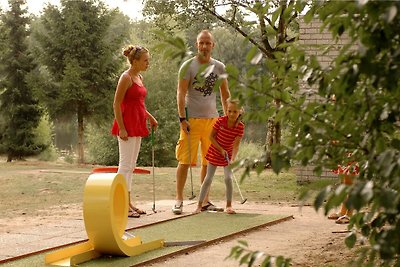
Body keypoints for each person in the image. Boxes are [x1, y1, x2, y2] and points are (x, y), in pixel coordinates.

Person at [172, 29, 230, 214]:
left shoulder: (220, 67)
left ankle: (205, 200)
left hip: (212, 121)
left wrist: (228, 117)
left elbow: (225, 93)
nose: (204, 46)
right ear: (197, 45)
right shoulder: (188, 66)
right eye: (201, 43)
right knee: (184, 161)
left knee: (208, 162)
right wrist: (182, 118)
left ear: (213, 45)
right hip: (191, 121)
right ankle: (179, 200)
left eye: (208, 43)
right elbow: (180, 93)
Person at [111, 45, 158, 218]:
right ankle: (120, 204)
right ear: (135, 61)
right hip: (126, 126)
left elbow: (138, 104)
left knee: (131, 167)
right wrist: (122, 128)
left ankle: (127, 202)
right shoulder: (126, 77)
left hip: (138, 124)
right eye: (145, 60)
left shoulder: (139, 77)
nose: (148, 63)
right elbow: (116, 104)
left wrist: (150, 117)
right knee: (124, 166)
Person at [193, 98, 244, 214]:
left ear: (240, 112)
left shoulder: (240, 127)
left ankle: (229, 206)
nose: (231, 114)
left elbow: (236, 146)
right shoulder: (220, 121)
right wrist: (220, 149)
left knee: (228, 178)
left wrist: (232, 159)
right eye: (229, 111)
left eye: (234, 112)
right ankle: (199, 205)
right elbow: (211, 137)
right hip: (215, 151)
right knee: (208, 179)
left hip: (228, 154)